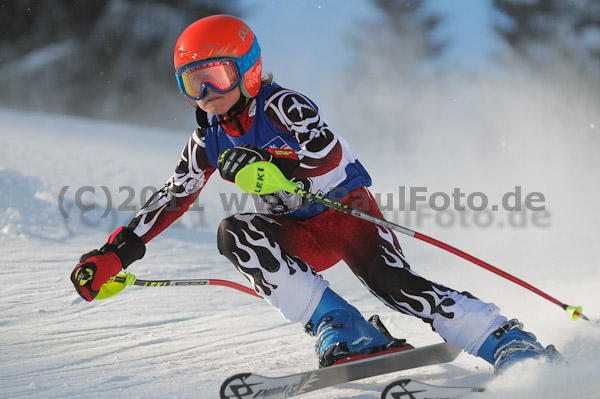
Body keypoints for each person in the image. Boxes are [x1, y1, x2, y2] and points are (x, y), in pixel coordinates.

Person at [70, 14, 561, 373]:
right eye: (191, 84)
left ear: (248, 69)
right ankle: (343, 326)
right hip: (298, 232)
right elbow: (173, 196)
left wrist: (271, 169)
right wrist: (118, 252)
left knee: (395, 286)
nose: (206, 95)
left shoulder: (283, 105)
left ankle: (504, 338)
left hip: (346, 215)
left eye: (215, 77)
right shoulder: (208, 138)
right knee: (235, 233)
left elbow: (324, 154)